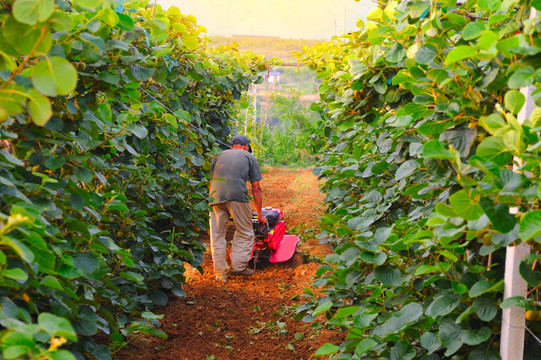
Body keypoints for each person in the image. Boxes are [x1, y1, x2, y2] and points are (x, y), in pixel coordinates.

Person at [208, 134, 267, 281]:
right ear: (246, 147)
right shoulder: (249, 157)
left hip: (214, 195)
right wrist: (259, 214)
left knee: (217, 234)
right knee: (245, 231)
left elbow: (211, 181)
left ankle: (220, 273)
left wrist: (212, 200)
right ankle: (239, 267)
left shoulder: (220, 155)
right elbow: (256, 188)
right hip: (236, 195)